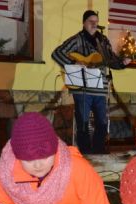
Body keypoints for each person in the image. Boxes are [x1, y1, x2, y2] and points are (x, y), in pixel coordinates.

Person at [51, 10, 131, 155]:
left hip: (100, 89)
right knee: (83, 124)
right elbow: (56, 53)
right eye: (91, 21)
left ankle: (98, 155)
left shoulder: (103, 41)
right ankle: (86, 155)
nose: (94, 24)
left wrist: (123, 63)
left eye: (96, 21)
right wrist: (73, 63)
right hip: (82, 89)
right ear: (84, 23)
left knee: (102, 124)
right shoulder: (77, 39)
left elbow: (112, 61)